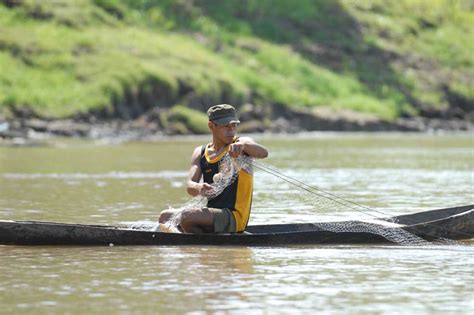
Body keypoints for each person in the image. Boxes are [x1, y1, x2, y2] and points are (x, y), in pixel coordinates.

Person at [159, 104, 268, 233]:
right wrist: (199, 188)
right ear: (211, 126)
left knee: (185, 216)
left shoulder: (241, 143)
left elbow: (263, 153)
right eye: (226, 126)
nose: (231, 130)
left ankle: (193, 240)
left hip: (234, 217)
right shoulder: (200, 152)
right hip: (211, 216)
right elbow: (190, 185)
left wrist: (242, 146)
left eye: (234, 125)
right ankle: (200, 242)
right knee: (165, 216)